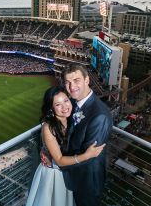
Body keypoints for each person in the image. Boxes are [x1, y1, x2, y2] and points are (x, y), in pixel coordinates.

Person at [27, 86, 105, 206]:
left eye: (66, 101)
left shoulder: (72, 118)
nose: (64, 107)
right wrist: (87, 155)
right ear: (51, 109)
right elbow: (59, 161)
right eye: (58, 104)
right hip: (54, 175)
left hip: (69, 173)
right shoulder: (48, 128)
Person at [59, 64, 113, 206]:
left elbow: (89, 157)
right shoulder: (72, 103)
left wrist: (57, 161)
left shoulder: (99, 115)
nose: (71, 87)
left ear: (87, 80)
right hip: (74, 177)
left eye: (76, 80)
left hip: (87, 182)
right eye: (67, 82)